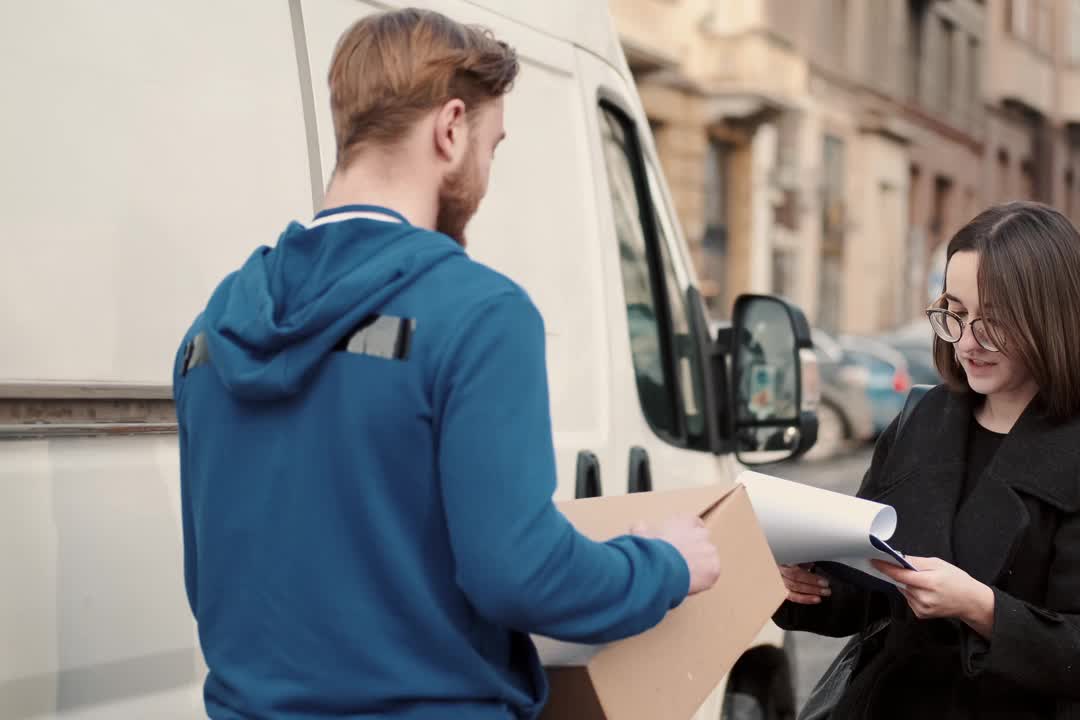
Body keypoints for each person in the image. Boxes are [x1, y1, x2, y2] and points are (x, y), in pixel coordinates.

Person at [172, 9, 719, 720]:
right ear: (451, 128)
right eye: (492, 146)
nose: (486, 174)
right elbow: (521, 577)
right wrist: (668, 565)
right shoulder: (480, 312)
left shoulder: (211, 331)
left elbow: (210, 580)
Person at [775, 201, 1080, 719]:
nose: (968, 342)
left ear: (1054, 319)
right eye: (955, 313)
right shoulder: (925, 416)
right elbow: (868, 590)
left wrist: (982, 608)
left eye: (994, 321)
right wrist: (805, 585)